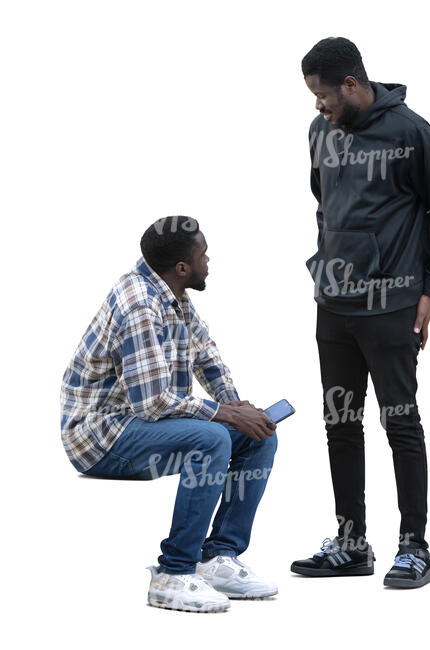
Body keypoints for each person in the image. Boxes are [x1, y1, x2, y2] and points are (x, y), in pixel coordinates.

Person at [290, 38, 430, 588]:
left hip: (391, 306)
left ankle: (414, 547)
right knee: (340, 425)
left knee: (400, 422)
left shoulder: (411, 132)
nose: (317, 107)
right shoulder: (320, 133)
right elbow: (324, 204)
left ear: (350, 84)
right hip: (333, 306)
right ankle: (350, 542)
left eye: (322, 95)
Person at [61, 216, 278, 612]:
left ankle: (216, 559)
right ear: (182, 268)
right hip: (100, 436)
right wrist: (224, 415)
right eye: (203, 255)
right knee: (211, 438)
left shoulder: (174, 296)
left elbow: (207, 357)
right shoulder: (139, 304)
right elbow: (152, 402)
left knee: (259, 433)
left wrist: (238, 408)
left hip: (139, 424)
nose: (209, 261)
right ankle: (174, 574)